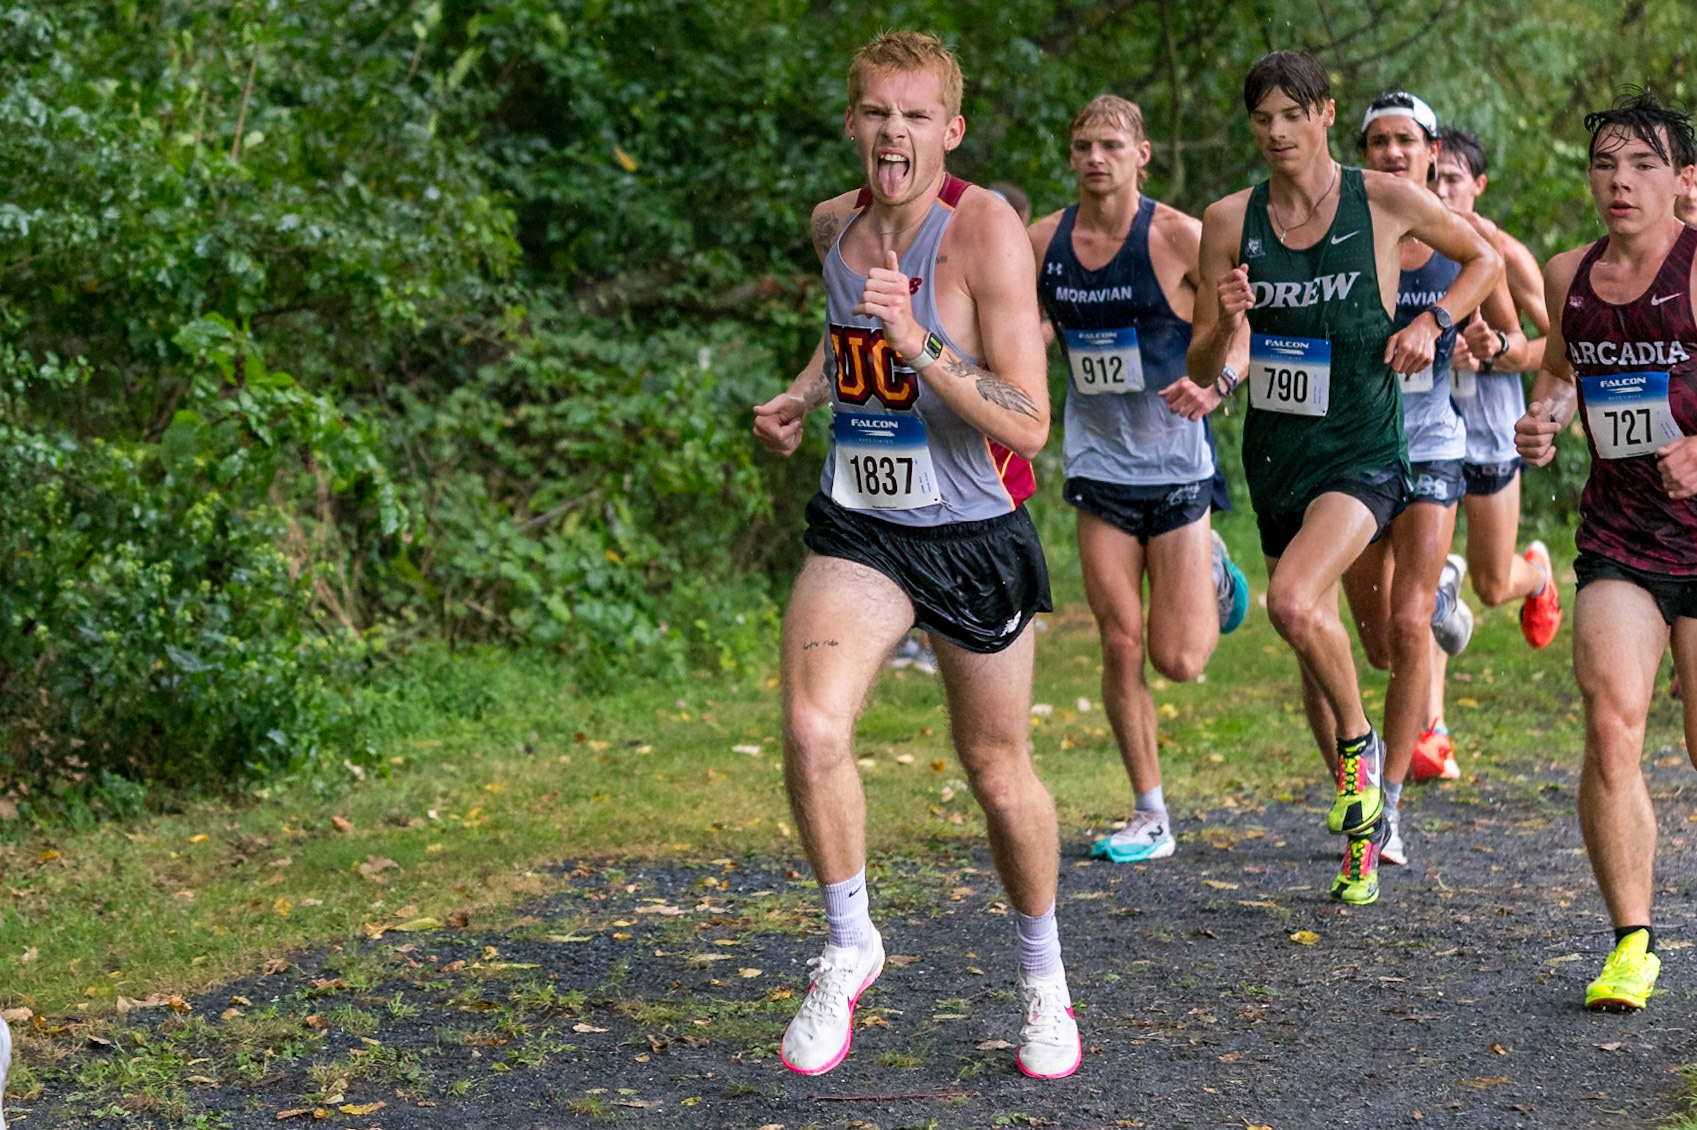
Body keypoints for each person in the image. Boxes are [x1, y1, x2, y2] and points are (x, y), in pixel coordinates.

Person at [751, 31, 1080, 1078]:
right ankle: (848, 941)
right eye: (876, 112)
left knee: (996, 772)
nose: (893, 132)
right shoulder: (833, 225)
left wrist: (922, 346)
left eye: (914, 115)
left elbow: (1029, 423)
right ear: (853, 123)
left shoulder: (984, 233)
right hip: (861, 524)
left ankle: (1043, 980)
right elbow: (840, 332)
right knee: (812, 725)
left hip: (972, 531)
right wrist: (802, 395)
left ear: (950, 130)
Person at [1189, 51, 1501, 905]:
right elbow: (1201, 360)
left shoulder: (1384, 199)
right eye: (1262, 119)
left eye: (1292, 114)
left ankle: (1361, 755)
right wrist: (1223, 322)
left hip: (1364, 448)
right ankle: (1361, 840)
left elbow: (1484, 261)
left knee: (1293, 602)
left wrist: (1433, 322)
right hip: (1276, 455)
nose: (1277, 132)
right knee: (1315, 634)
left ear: (1325, 114)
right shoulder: (1227, 220)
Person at [1029, 94, 1248, 864]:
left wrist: (1219, 386)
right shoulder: (1042, 242)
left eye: (1111, 145)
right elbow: (1003, 316)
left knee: (1178, 660)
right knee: (1119, 643)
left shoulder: (1178, 236)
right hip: (1098, 466)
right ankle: (1149, 812)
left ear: (1140, 155)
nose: (1095, 157)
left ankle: (1212, 568)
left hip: (1177, 465)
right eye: (1082, 145)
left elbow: (1239, 332)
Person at [1515, 88, 1697, 1012]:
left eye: (1641, 165)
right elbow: (1560, 368)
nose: (1619, 182)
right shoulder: (1567, 274)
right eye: (1604, 165)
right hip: (1622, 537)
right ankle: (1632, 943)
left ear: (1684, 181)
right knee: (1610, 723)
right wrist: (1543, 419)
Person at [1345, 92, 1529, 868]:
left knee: (1411, 622)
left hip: (1433, 448)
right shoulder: (1341, 236)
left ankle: (1386, 806)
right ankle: (1367, 756)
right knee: (1379, 646)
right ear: (1362, 154)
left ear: (1429, 153)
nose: (1392, 154)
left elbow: (1519, 342)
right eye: (1377, 142)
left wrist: (1483, 346)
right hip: (1351, 452)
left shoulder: (1471, 247)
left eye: (1406, 141)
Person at [1421, 126, 1564, 782]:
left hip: (1489, 432)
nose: (1440, 189)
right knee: (1426, 583)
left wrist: (1501, 351)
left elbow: (1558, 346)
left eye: (1453, 178)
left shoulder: (1505, 255)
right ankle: (1432, 731)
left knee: (1488, 583)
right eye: (1433, 178)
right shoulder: (1402, 246)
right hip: (1427, 435)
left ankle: (1535, 573)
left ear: (1478, 185)